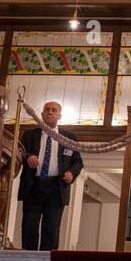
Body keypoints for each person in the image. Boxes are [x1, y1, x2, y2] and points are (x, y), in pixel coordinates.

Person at [16, 100, 83, 251]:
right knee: (29, 226)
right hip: (33, 186)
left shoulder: (69, 137)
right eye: (47, 109)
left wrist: (71, 173)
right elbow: (20, 154)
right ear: (41, 115)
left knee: (51, 229)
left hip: (57, 189)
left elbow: (78, 162)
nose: (50, 112)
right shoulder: (29, 134)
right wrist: (28, 157)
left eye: (54, 110)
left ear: (59, 115)